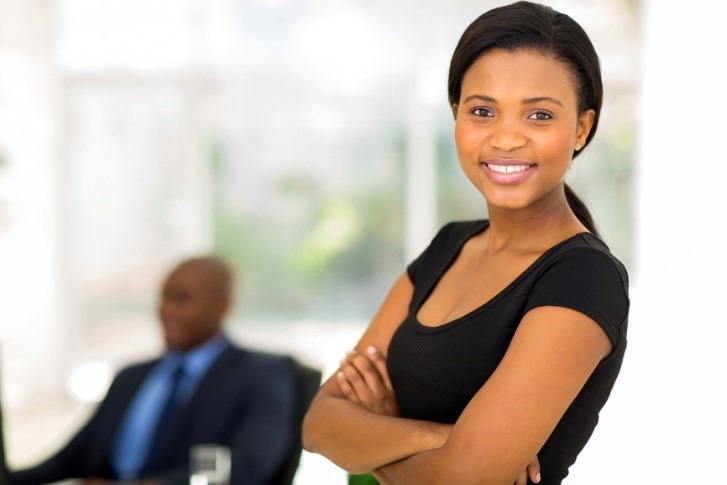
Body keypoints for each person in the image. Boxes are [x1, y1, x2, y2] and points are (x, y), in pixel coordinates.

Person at [302, 2, 630, 484]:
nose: (506, 138)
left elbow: (466, 477)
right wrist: (436, 438)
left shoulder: (584, 279)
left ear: (580, 128)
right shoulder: (450, 245)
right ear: (457, 114)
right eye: (482, 111)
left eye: (539, 115)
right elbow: (318, 422)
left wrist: (374, 436)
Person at [11, 256, 300, 485]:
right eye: (164, 297)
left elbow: (245, 469)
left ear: (222, 306)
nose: (166, 310)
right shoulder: (130, 377)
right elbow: (71, 459)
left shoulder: (260, 376)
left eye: (182, 299)